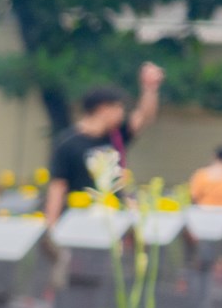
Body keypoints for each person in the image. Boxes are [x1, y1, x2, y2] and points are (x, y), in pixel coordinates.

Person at [45, 63, 165, 222]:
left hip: (113, 216)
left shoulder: (116, 135)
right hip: (80, 217)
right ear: (103, 108)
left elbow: (144, 117)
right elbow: (57, 186)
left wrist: (150, 89)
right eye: (118, 108)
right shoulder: (68, 143)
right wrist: (51, 226)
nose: (122, 113)